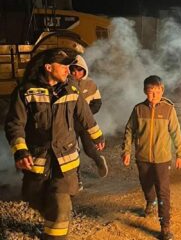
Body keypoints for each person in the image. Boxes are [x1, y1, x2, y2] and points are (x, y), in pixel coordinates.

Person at [4, 48, 105, 239]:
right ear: (49, 67)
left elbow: (87, 118)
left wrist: (97, 137)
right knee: (35, 198)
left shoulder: (72, 90)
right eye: (64, 66)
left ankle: (54, 236)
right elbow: (14, 124)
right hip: (39, 161)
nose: (68, 70)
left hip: (65, 163)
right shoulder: (26, 92)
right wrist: (20, 151)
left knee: (60, 205)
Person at [121, 75, 181, 240]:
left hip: (162, 159)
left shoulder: (168, 109)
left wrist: (180, 154)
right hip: (142, 157)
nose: (154, 95)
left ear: (162, 90)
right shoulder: (138, 109)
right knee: (146, 184)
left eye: (157, 91)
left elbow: (176, 132)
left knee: (163, 192)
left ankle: (165, 227)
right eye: (151, 92)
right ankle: (150, 201)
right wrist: (126, 151)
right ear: (145, 91)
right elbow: (129, 130)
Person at [69, 55, 108, 190]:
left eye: (79, 70)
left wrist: (86, 115)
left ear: (84, 70)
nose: (76, 73)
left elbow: (97, 103)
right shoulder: (65, 85)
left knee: (89, 149)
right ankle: (77, 180)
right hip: (70, 124)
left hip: (85, 124)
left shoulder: (91, 84)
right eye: (73, 70)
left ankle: (99, 161)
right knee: (73, 152)